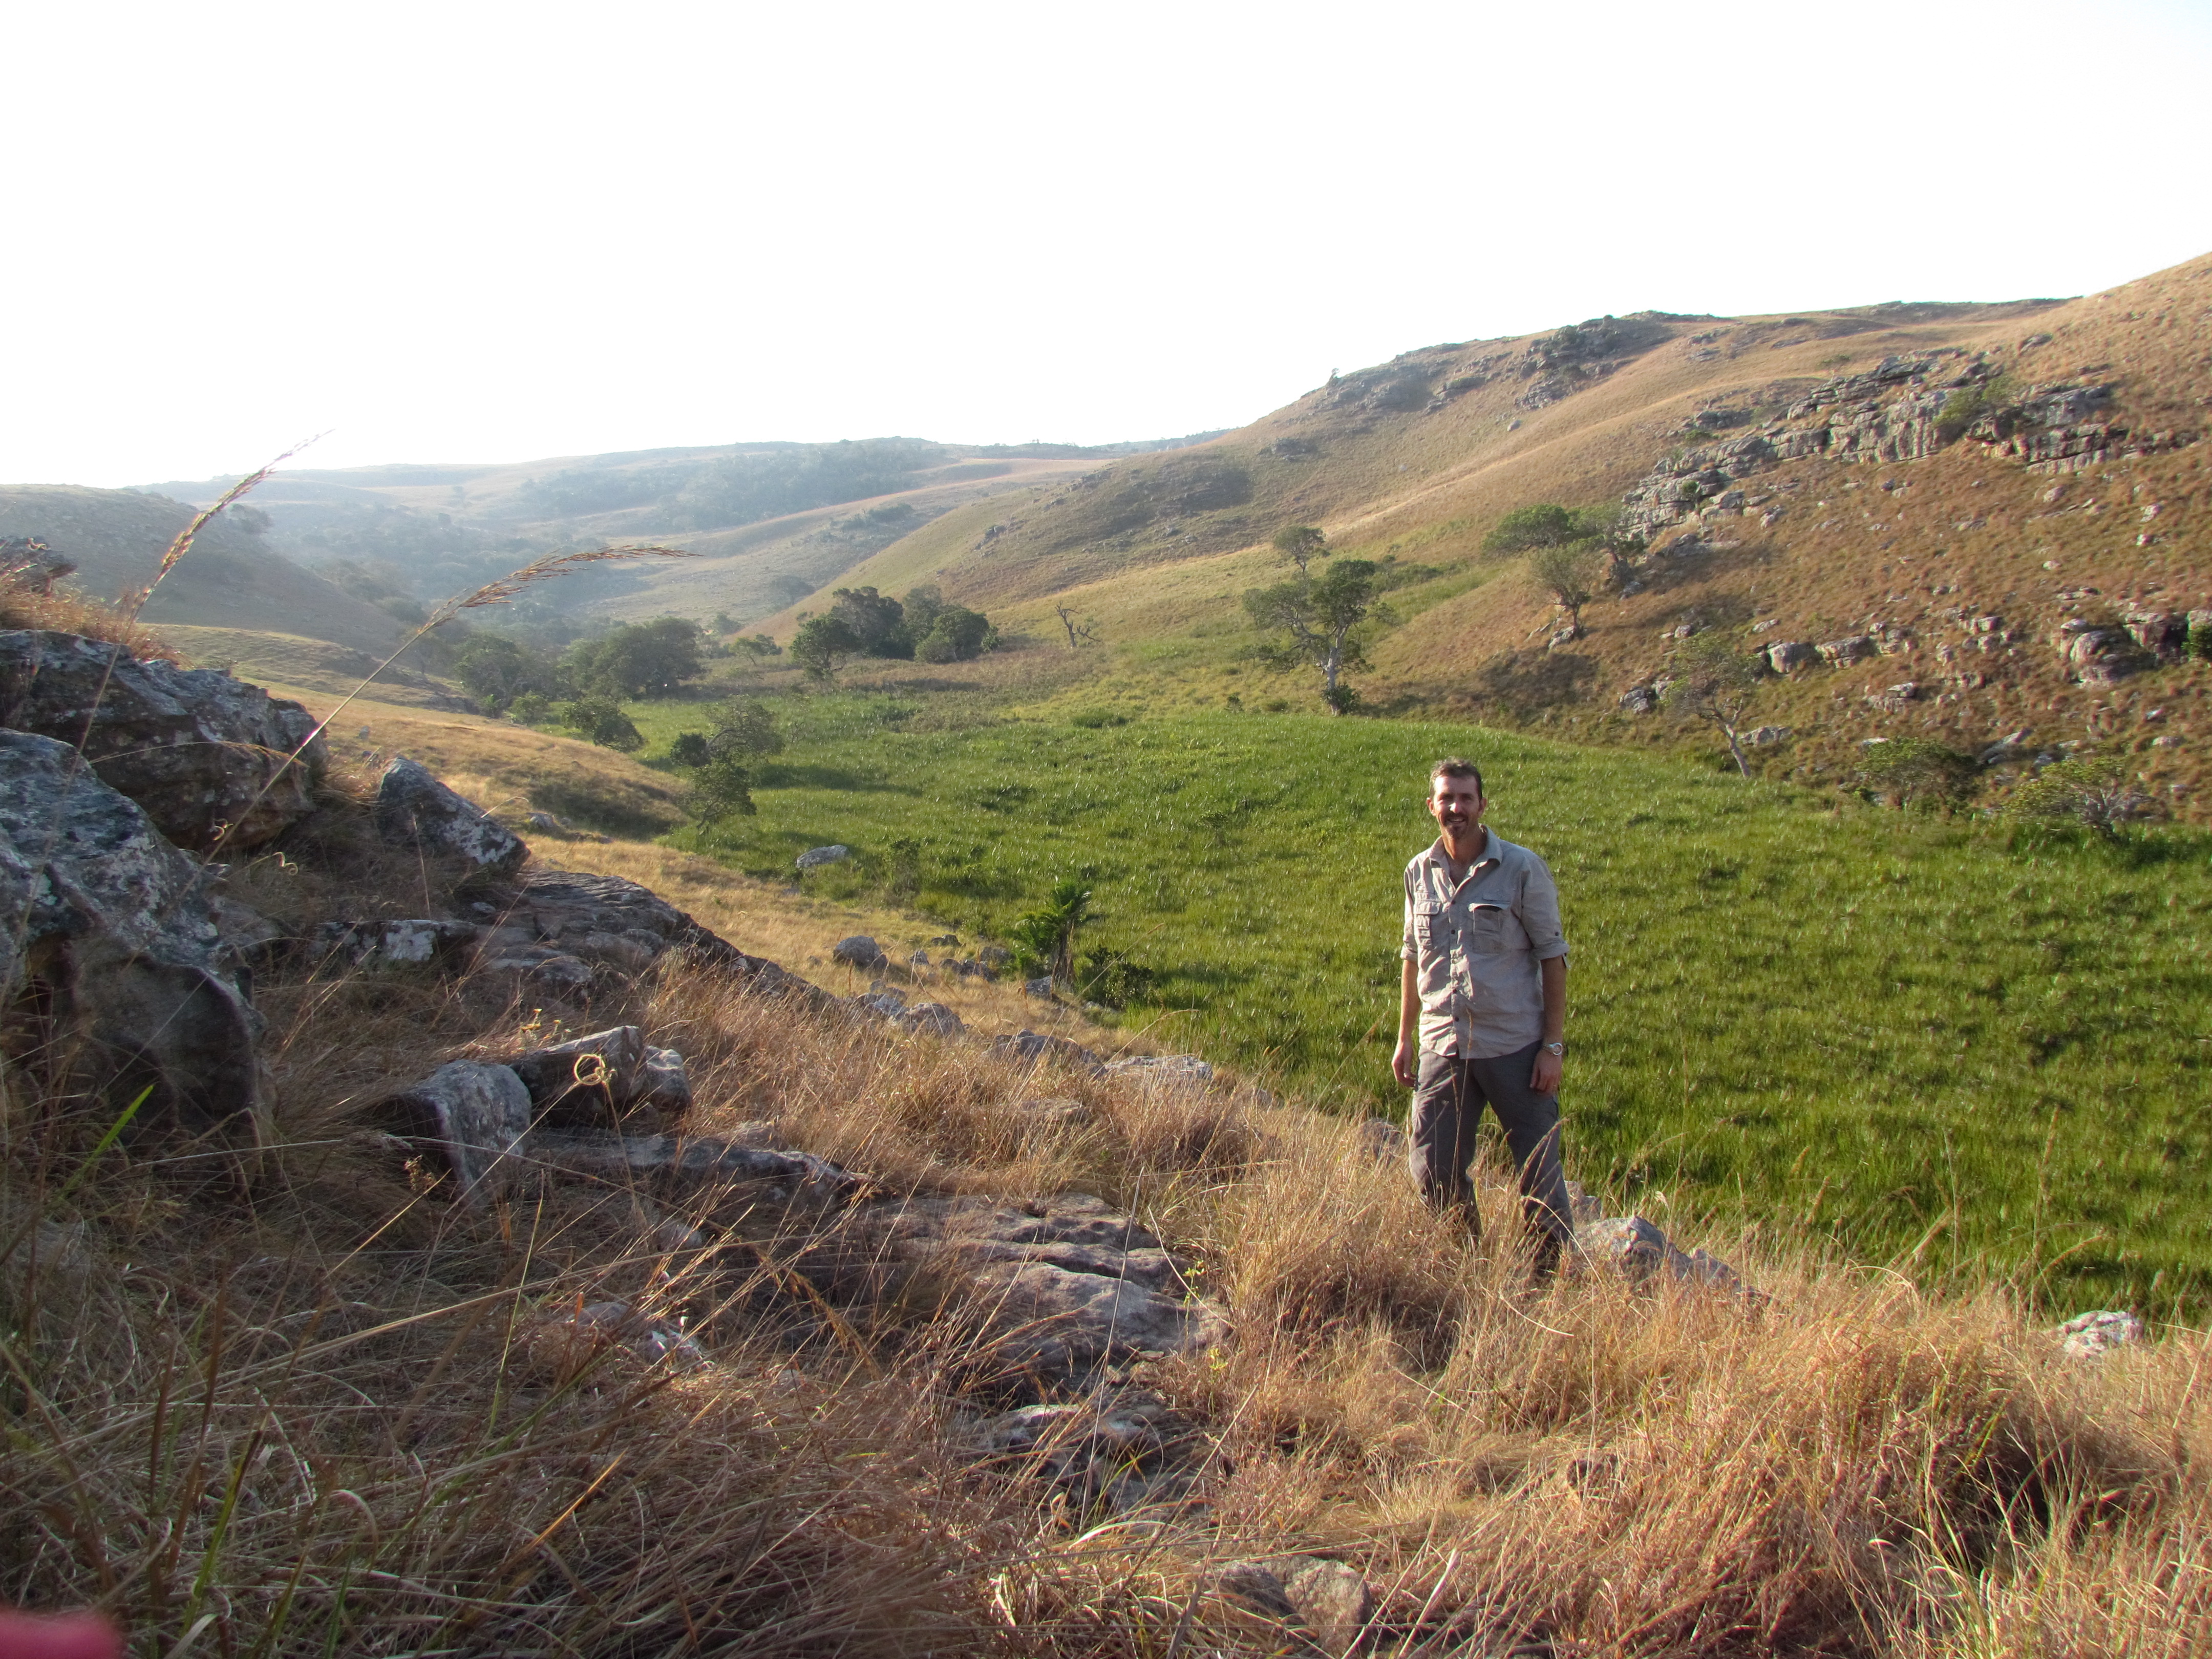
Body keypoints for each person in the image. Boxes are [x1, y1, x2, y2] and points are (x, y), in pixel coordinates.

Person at [1390, 757, 1573, 1274]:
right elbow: (1412, 955)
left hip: (1514, 1046)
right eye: (1446, 799)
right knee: (1433, 1167)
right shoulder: (1417, 873)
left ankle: (1551, 1281)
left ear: (1482, 805)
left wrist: (1552, 1046)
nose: (1456, 808)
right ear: (1432, 807)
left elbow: (1553, 956)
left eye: (1465, 798)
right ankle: (1467, 1268)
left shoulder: (1521, 868)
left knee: (1538, 1175)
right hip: (1443, 1045)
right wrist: (1405, 1038)